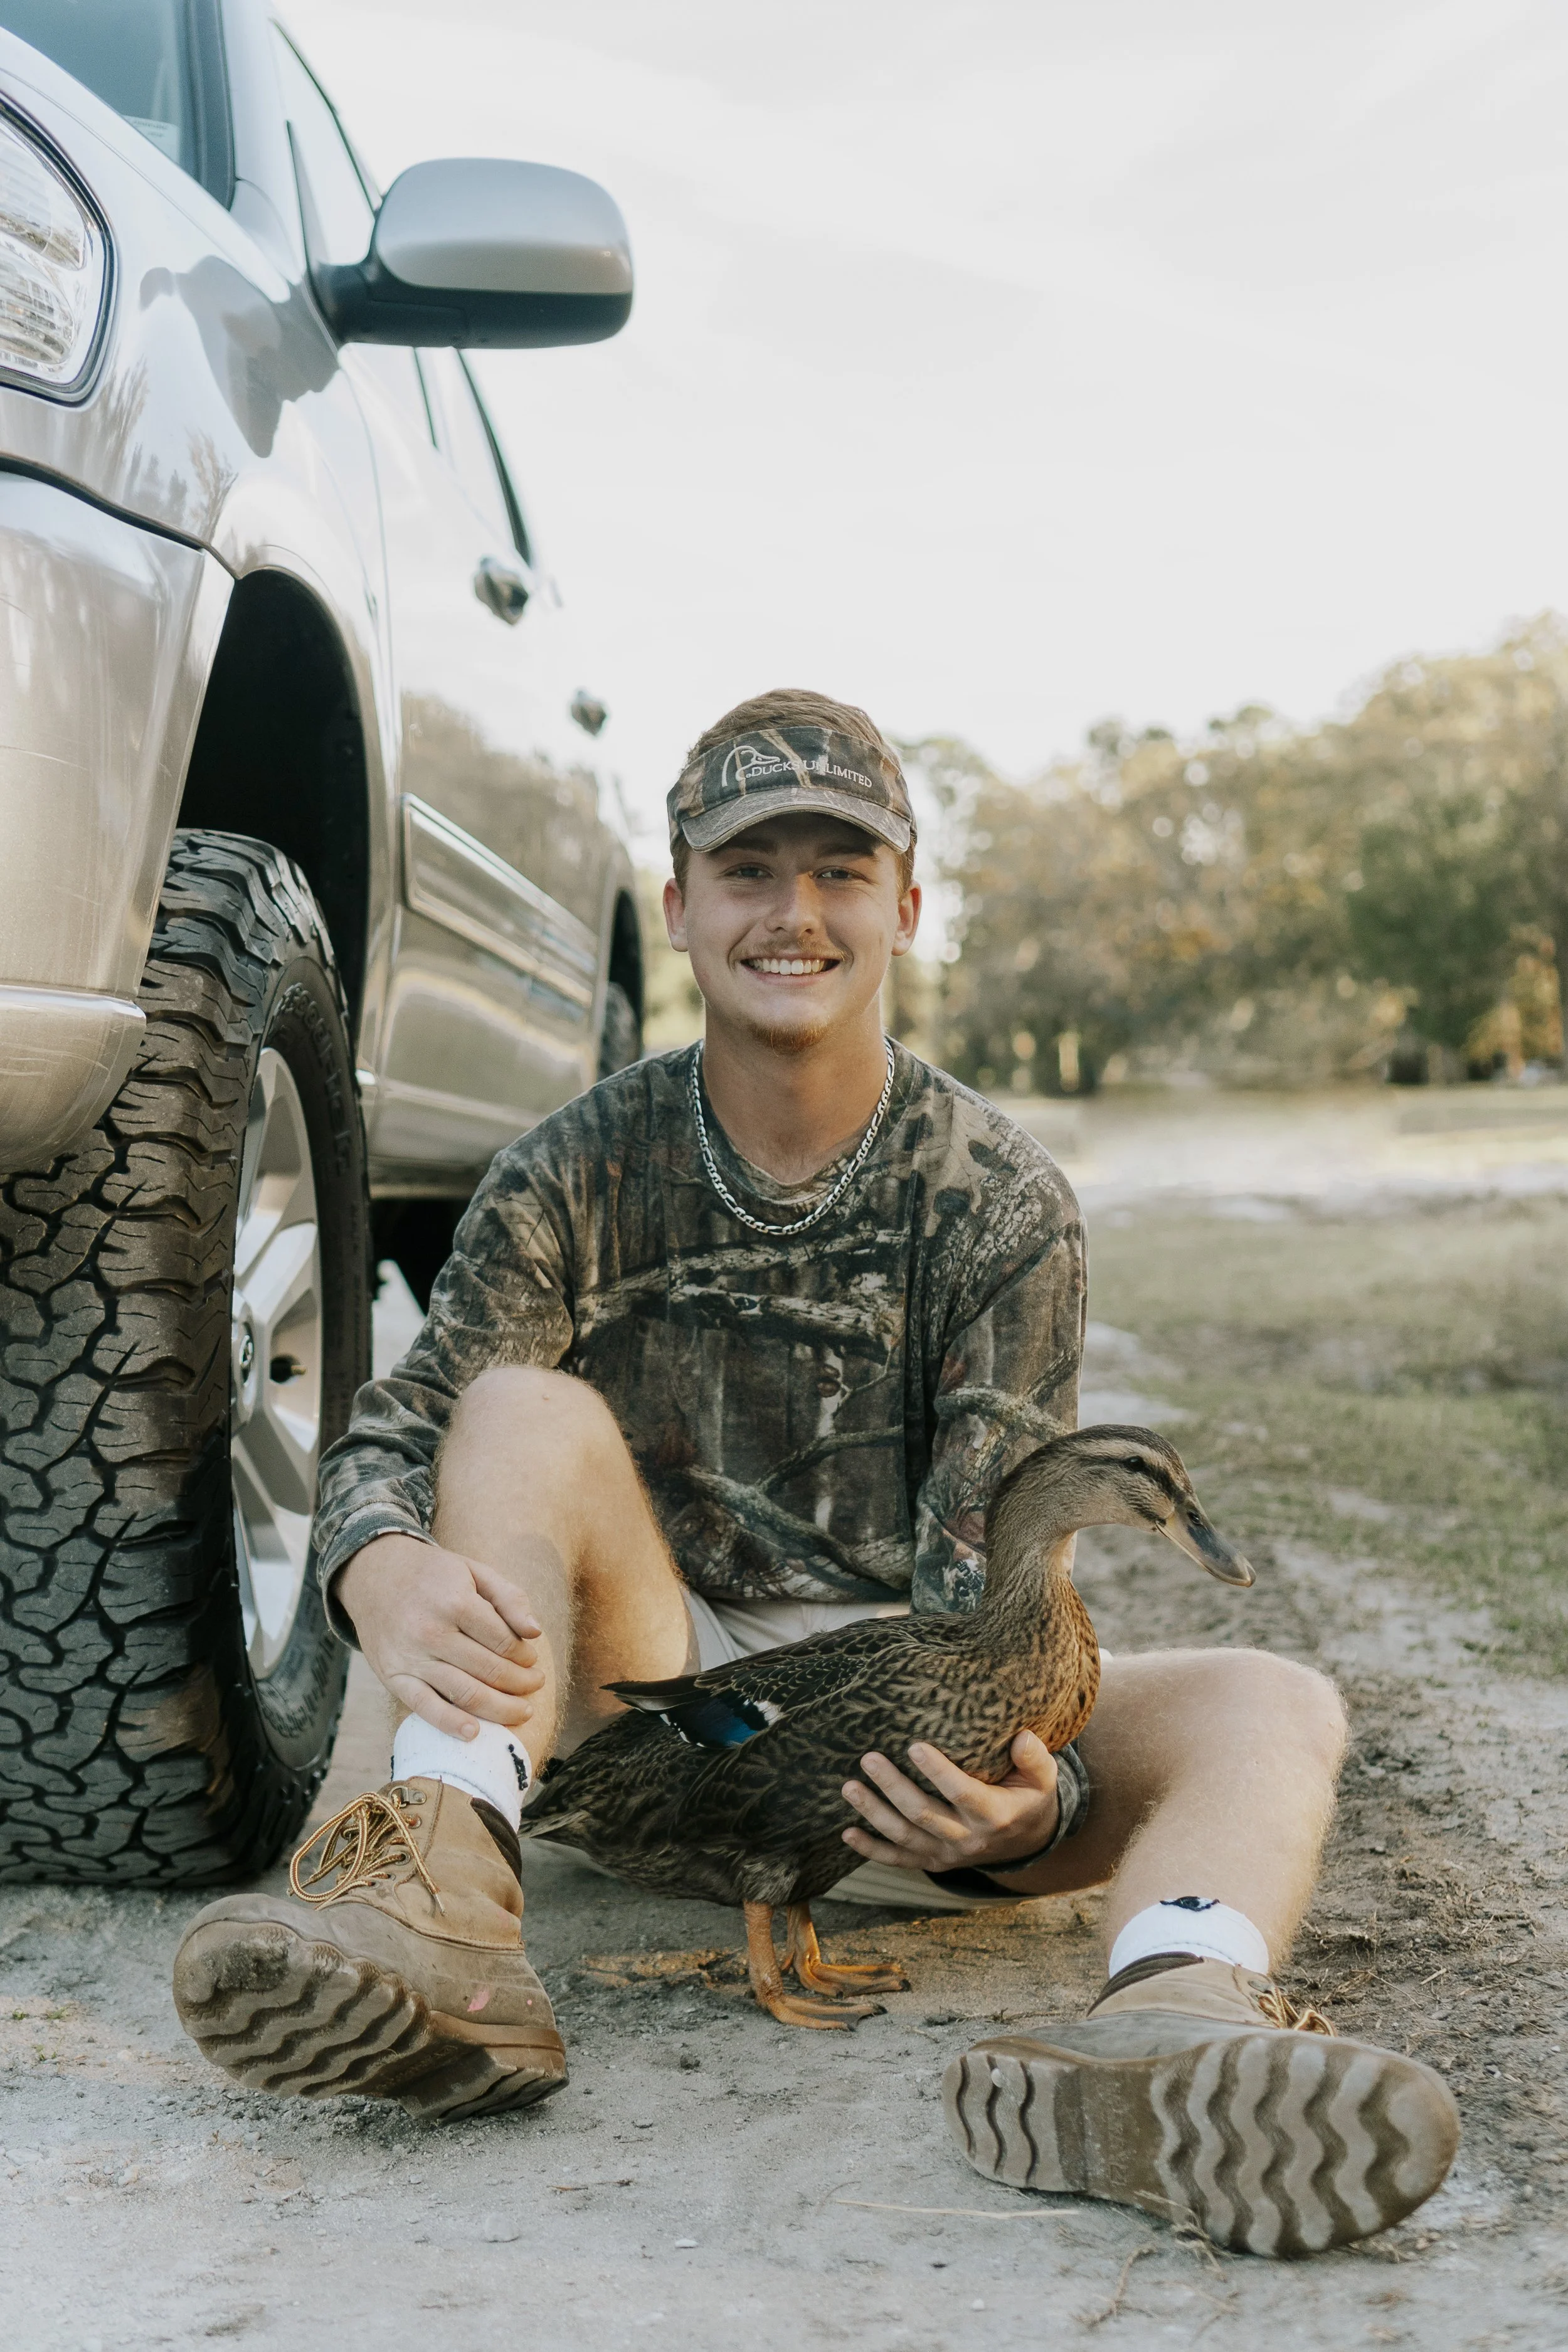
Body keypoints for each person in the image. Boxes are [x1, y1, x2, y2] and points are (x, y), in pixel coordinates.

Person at [172, 689, 1457, 2247]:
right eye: (748, 869)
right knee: (512, 1417)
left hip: (907, 1732)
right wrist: (375, 1559)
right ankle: (428, 1902)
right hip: (650, 1699)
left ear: (904, 907)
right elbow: (399, 1422)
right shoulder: (574, 1163)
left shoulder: (995, 1201)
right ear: (680, 906)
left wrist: (1026, 1809)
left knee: (1277, 1703)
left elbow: (978, 1584)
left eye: (839, 871)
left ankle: (1165, 2017)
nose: (795, 912)